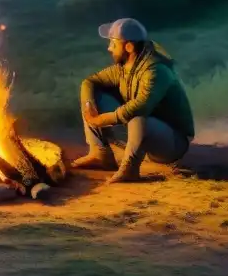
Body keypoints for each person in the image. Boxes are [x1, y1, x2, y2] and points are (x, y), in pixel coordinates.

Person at [72, 17, 195, 183]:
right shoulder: (125, 67)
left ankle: (130, 169)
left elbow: (140, 107)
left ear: (128, 46)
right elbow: (89, 82)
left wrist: (101, 119)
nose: (109, 48)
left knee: (137, 114)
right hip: (140, 135)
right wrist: (89, 107)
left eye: (113, 44)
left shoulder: (156, 70)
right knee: (95, 92)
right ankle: (100, 153)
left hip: (171, 145)